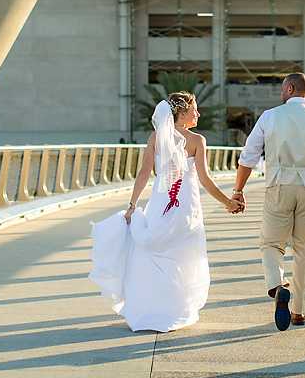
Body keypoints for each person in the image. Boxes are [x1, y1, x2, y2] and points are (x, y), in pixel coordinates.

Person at [88, 92, 243, 332]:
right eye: (195, 110)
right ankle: (176, 309)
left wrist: (132, 206)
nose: (198, 114)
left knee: (156, 253)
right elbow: (204, 179)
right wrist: (227, 202)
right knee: (183, 255)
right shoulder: (197, 141)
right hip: (186, 206)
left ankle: (152, 309)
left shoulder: (155, 137)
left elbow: (143, 174)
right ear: (182, 114)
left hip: (160, 204)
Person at [231, 73, 305, 331]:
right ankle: (299, 312)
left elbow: (248, 157)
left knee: (271, 243)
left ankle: (278, 285)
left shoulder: (270, 116)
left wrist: (238, 190)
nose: (281, 94)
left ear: (290, 89)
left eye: (283, 89)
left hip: (278, 187)